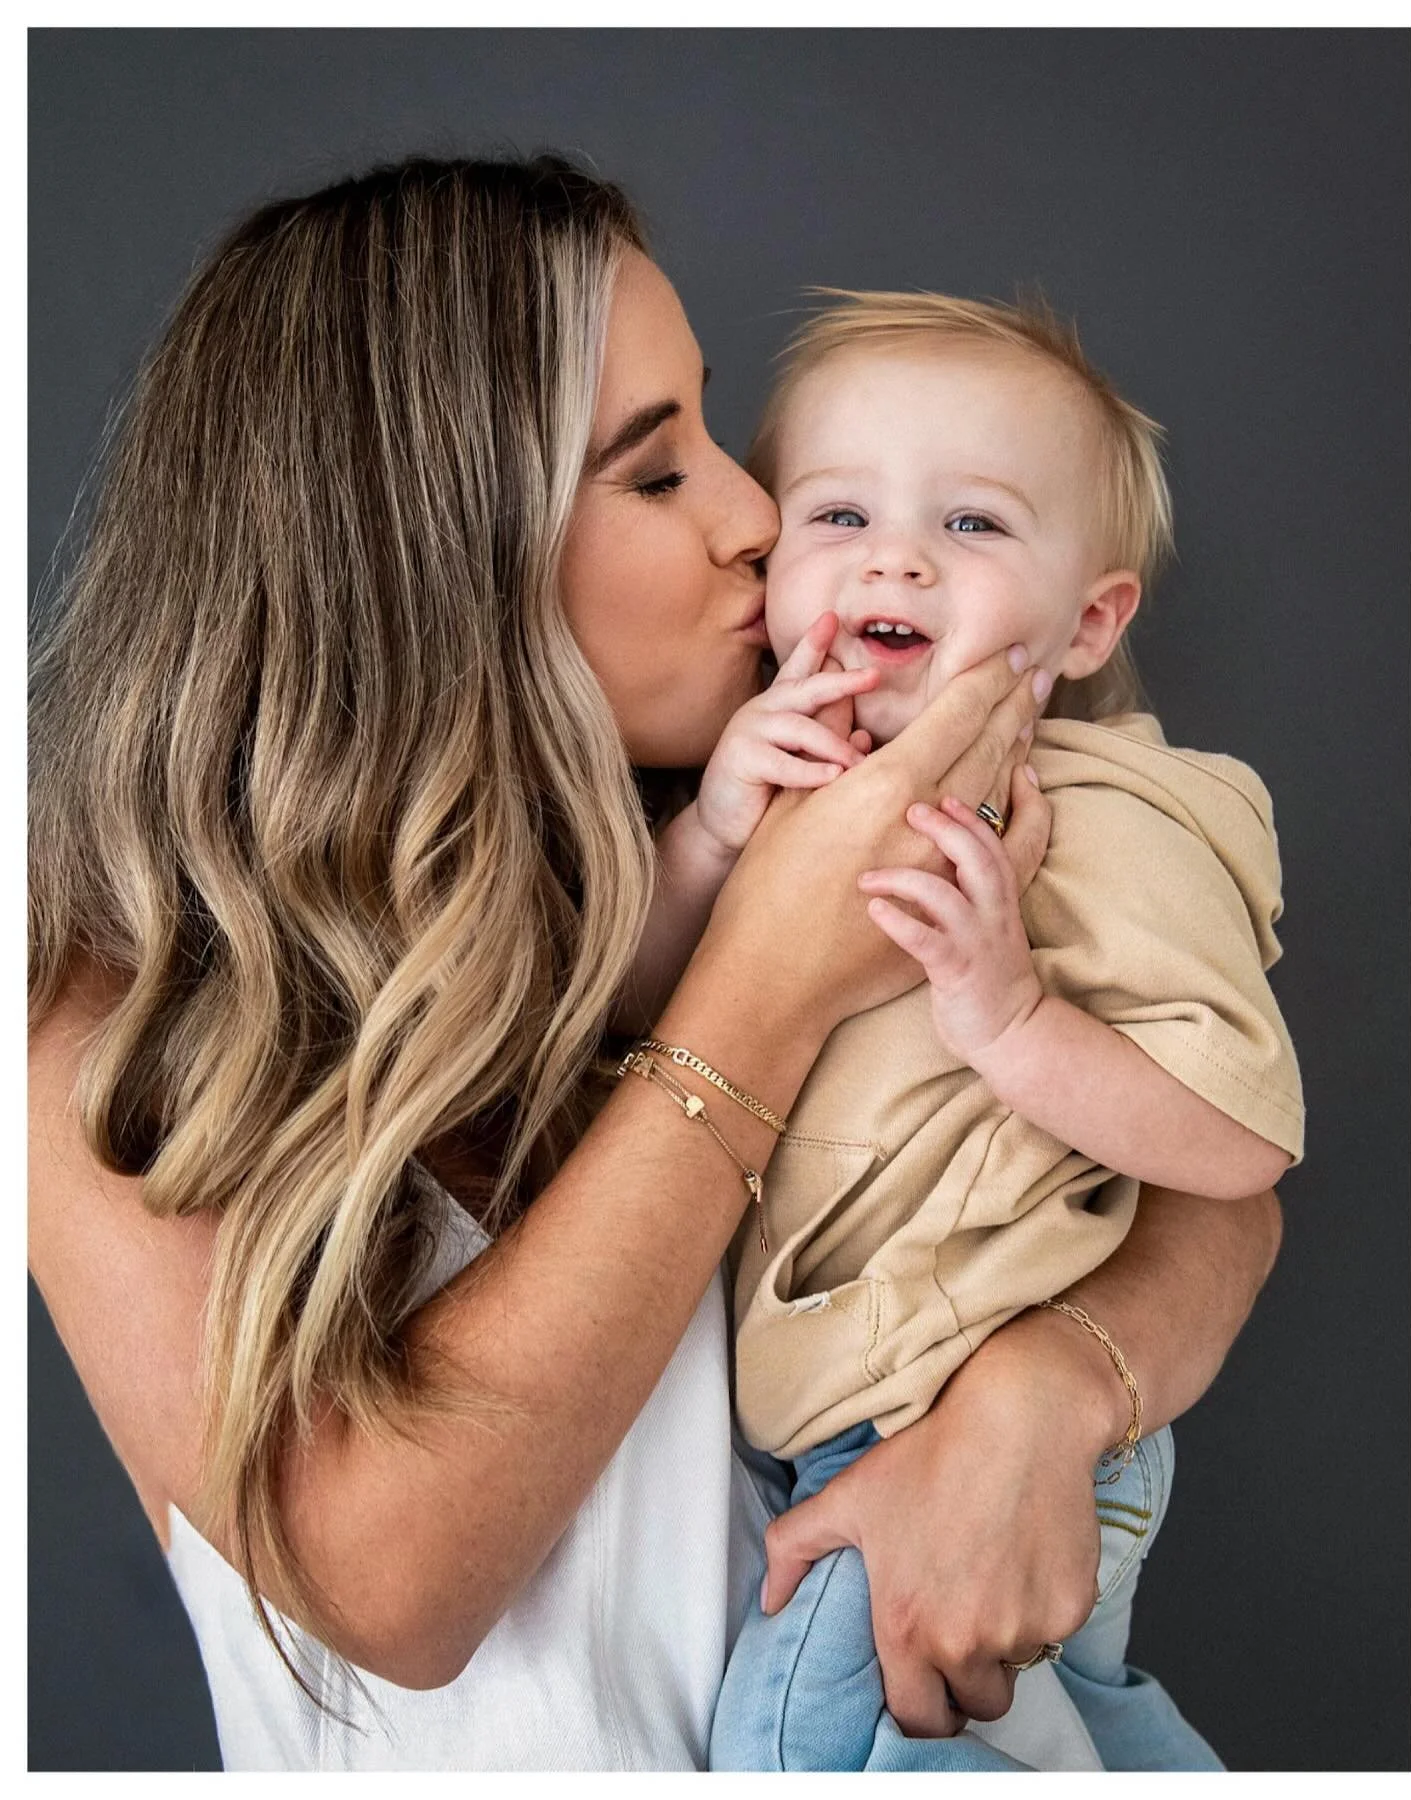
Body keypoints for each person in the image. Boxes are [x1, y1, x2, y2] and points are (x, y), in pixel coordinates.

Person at [27, 154, 1283, 1771]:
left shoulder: (759, 813)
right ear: (428, 560)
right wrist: (764, 977)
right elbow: (393, 1588)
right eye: (654, 471)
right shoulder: (110, 1010)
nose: (760, 512)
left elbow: (1224, 1192)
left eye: (713, 430)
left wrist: (1040, 1396)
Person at [624, 290, 1304, 1771]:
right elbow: (624, 1031)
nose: (898, 556)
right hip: (854, 1423)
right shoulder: (756, 791)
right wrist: (709, 849)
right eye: (840, 512)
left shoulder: (1108, 818)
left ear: (1090, 621)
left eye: (977, 527)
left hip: (967, 1432)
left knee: (796, 1743)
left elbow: (1242, 1142)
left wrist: (1012, 1019)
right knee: (1083, 1727)